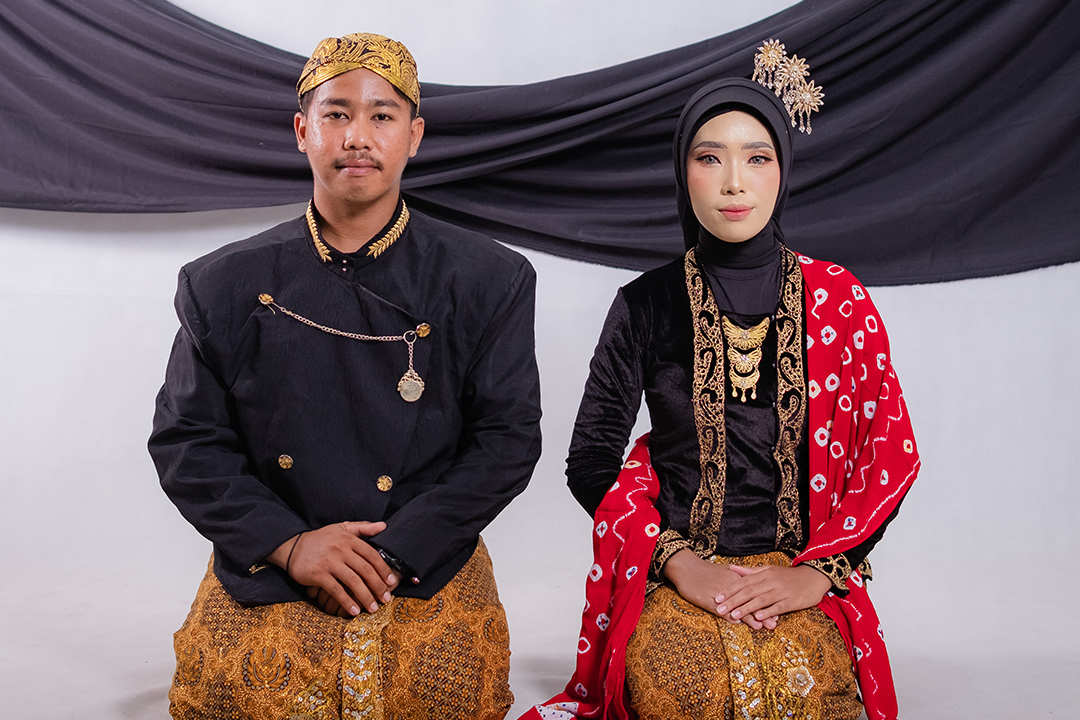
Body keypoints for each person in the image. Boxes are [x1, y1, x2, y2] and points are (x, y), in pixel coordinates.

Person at [149, 33, 541, 720]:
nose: (358, 136)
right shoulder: (221, 282)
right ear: (303, 131)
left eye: (382, 115)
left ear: (414, 135)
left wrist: (395, 552)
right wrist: (290, 545)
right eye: (336, 114)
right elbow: (188, 441)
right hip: (273, 555)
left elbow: (505, 441)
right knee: (241, 695)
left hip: (422, 555)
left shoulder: (490, 277)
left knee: (441, 694)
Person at [525, 41, 918, 720]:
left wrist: (814, 576)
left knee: (812, 695)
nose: (734, 182)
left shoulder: (839, 299)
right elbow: (591, 461)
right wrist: (679, 565)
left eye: (756, 158)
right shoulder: (645, 304)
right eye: (710, 158)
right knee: (682, 692)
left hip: (801, 568)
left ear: (782, 172)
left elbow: (886, 459)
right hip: (678, 569)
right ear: (684, 174)